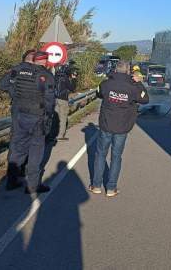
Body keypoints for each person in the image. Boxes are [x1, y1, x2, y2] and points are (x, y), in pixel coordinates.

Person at [89, 61, 149, 197]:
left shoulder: (106, 83)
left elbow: (98, 93)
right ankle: (111, 188)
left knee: (100, 155)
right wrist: (139, 82)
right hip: (122, 127)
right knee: (116, 157)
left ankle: (96, 186)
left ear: (115, 70)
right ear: (128, 71)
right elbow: (145, 99)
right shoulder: (133, 86)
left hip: (106, 125)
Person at [0, 50, 56, 194]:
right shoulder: (46, 76)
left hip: (20, 116)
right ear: (45, 61)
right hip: (38, 118)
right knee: (36, 151)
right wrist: (49, 119)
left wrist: (16, 97)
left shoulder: (18, 71)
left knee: (18, 148)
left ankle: (11, 181)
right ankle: (32, 185)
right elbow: (50, 102)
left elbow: (3, 85)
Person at [54, 59, 78, 139]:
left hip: (55, 99)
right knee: (63, 117)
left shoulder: (55, 77)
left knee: (55, 117)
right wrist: (74, 78)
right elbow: (72, 88)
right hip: (63, 99)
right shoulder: (65, 79)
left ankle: (53, 134)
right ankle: (60, 135)